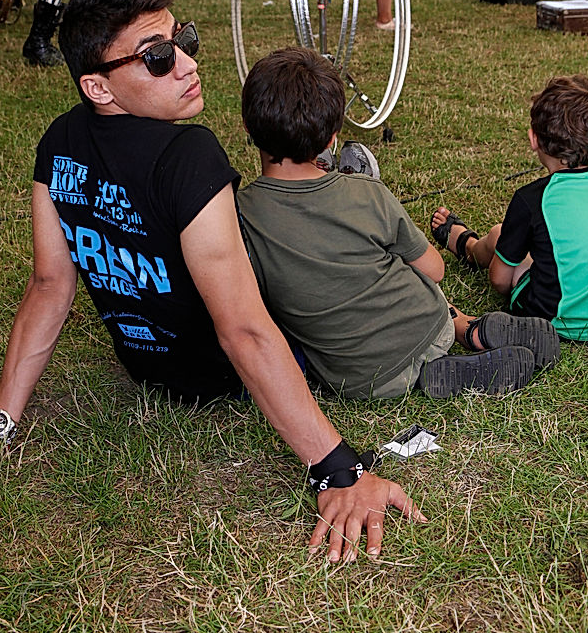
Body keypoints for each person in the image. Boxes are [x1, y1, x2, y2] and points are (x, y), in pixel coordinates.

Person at [0, 0, 422, 564]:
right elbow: (243, 329)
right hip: (220, 374)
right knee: (313, 236)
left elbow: (50, 284)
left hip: (150, 367)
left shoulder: (59, 142)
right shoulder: (188, 154)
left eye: (183, 41)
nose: (186, 64)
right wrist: (339, 471)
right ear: (98, 86)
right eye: (157, 57)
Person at [238, 47, 558, 401]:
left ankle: (455, 348)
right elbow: (435, 270)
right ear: (332, 138)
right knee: (407, 262)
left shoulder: (239, 214)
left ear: (247, 127)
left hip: (356, 380)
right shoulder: (367, 193)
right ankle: (469, 331)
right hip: (430, 329)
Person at [431, 75, 588, 342]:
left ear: (533, 139)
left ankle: (468, 247)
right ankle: (469, 245)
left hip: (556, 322)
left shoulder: (531, 199)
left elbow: (500, 280)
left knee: (498, 235)